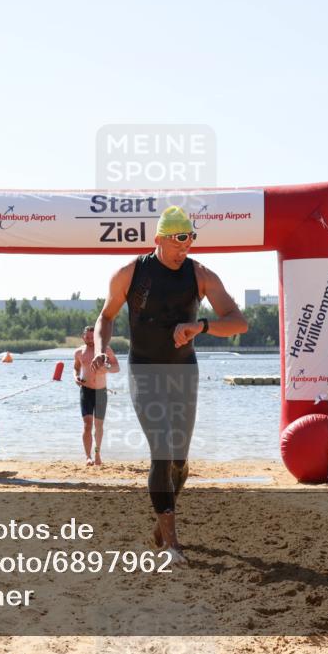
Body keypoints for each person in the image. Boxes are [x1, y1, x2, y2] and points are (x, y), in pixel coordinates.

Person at [91, 205, 247, 564]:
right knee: (161, 450)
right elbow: (106, 317)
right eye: (178, 239)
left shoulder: (200, 274)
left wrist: (200, 326)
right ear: (158, 239)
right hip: (144, 371)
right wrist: (102, 348)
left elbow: (238, 322)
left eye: (190, 238)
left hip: (182, 373)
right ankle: (173, 546)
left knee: (179, 460)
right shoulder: (130, 273)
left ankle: (163, 525)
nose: (185, 246)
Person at [74, 325, 119, 466]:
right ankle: (88, 457)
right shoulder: (79, 352)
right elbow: (76, 367)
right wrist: (76, 377)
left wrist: (107, 368)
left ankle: (97, 455)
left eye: (91, 337)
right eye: (86, 337)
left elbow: (117, 367)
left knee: (98, 425)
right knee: (87, 425)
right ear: (83, 337)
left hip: (101, 392)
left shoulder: (105, 350)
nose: (89, 339)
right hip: (86, 391)